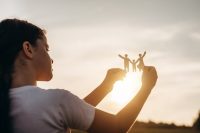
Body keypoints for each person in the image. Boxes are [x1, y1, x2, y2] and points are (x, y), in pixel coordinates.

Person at [0, 19, 158, 133]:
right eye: (47, 49)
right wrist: (146, 87)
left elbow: (70, 113)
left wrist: (106, 86)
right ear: (28, 49)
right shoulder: (56, 100)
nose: (51, 58)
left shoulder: (9, 103)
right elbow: (116, 127)